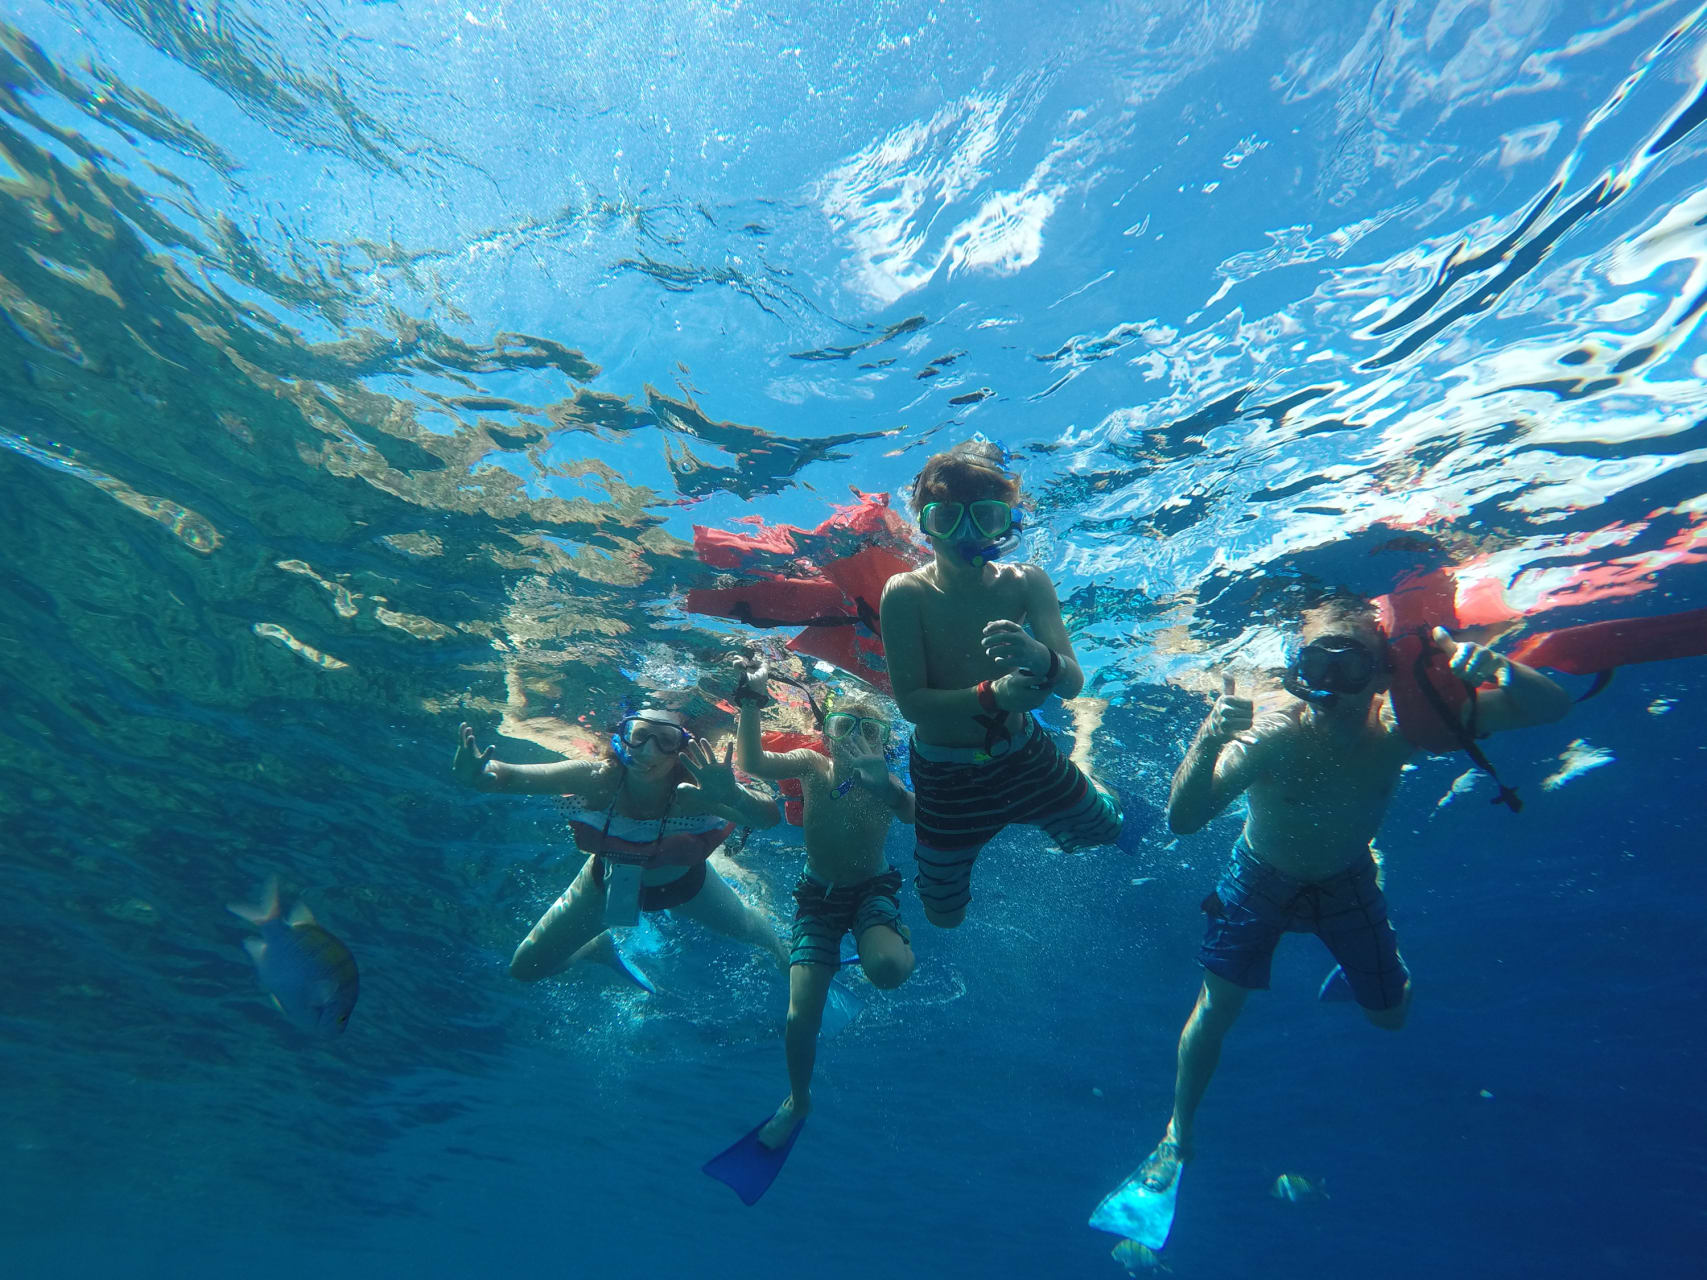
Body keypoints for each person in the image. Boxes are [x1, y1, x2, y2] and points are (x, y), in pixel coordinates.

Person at [1132, 594, 1573, 1206]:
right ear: (1298, 669)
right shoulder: (1273, 734)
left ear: (1384, 675)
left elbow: (1552, 706)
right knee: (1218, 1007)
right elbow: (1183, 821)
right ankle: (1177, 1135)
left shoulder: (1400, 727)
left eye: (1353, 666)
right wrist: (1209, 737)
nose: (1334, 686)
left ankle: (1365, 927)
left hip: (1347, 879)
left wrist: (1498, 666)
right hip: (1260, 875)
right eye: (1320, 664)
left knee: (1391, 1018)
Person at [878, 438, 1124, 929]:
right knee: (944, 915)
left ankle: (1084, 764)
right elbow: (911, 705)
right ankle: (909, 813)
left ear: (1006, 522)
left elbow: (1072, 684)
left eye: (985, 517)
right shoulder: (906, 593)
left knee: (1107, 830)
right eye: (947, 519)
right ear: (924, 524)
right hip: (945, 777)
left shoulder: (1027, 581)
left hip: (1023, 754)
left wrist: (1040, 657)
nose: (965, 534)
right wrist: (993, 695)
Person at [701, 658, 918, 1203]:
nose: (857, 739)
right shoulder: (812, 765)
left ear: (886, 740)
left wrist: (887, 787)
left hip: (871, 891)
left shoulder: (888, 779)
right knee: (801, 1016)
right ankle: (798, 1100)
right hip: (817, 899)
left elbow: (914, 813)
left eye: (872, 731)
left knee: (888, 969)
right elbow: (753, 761)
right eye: (845, 725)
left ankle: (893, 941)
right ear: (827, 732)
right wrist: (750, 701)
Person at [453, 707, 788, 988]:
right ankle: (596, 949)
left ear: (680, 750)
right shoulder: (597, 778)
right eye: (639, 736)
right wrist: (482, 775)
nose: (648, 751)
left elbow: (767, 818)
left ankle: (792, 960)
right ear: (621, 738)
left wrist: (732, 795)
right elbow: (510, 776)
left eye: (665, 740)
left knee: (755, 933)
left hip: (687, 887)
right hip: (603, 885)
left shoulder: (694, 792)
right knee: (525, 970)